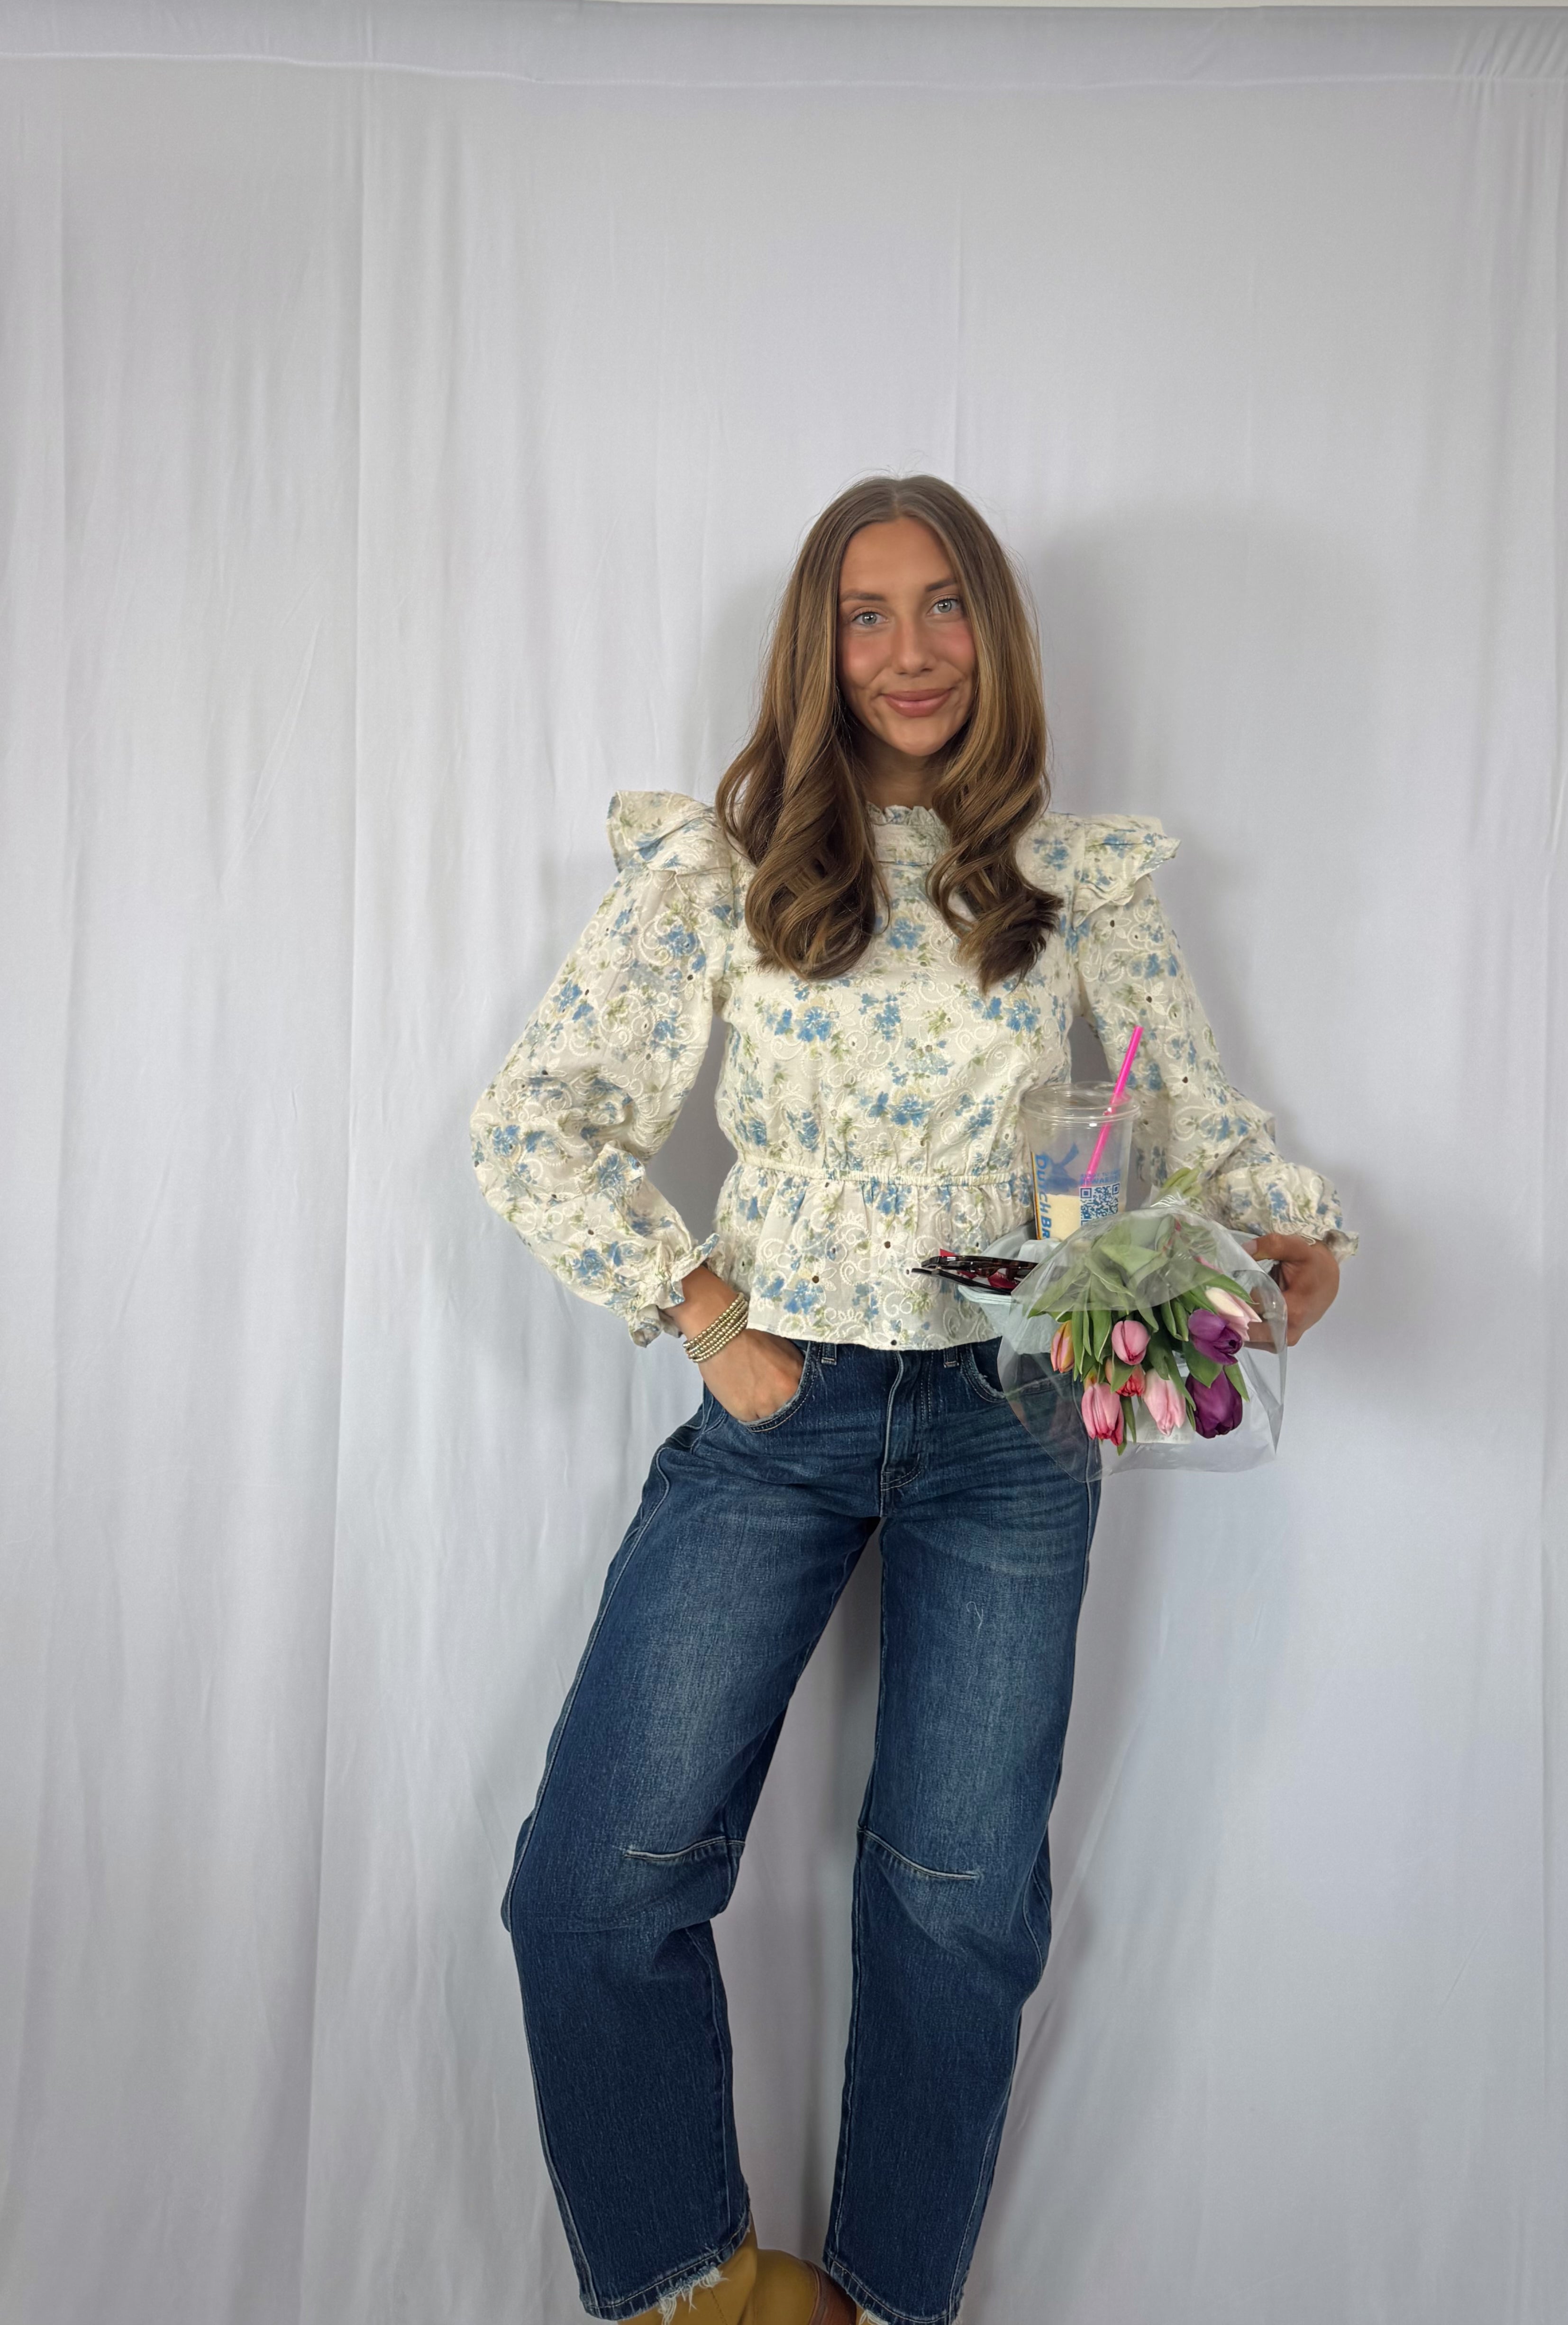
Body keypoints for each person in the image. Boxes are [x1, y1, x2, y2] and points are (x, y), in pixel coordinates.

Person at [470, 476, 1355, 2325]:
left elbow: (1199, 1114)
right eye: (864, 613)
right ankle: (706, 2286)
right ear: (818, 644)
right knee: (592, 1885)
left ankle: (883, 2300)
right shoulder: (719, 869)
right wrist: (703, 1315)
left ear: (993, 631)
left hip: (1016, 1423)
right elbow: (532, 1123)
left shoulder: (1069, 881)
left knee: (960, 1900)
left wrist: (1288, 1231)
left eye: (943, 604)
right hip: (779, 1412)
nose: (908, 650)